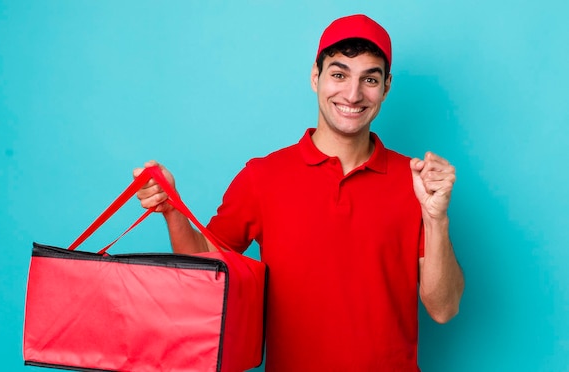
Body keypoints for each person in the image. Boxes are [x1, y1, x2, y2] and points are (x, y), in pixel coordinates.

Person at [134, 14, 464, 371]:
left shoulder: (414, 180)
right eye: (339, 74)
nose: (353, 94)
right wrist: (173, 210)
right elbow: (204, 268)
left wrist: (436, 219)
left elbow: (443, 308)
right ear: (315, 77)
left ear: (385, 87)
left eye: (369, 79)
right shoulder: (263, 176)